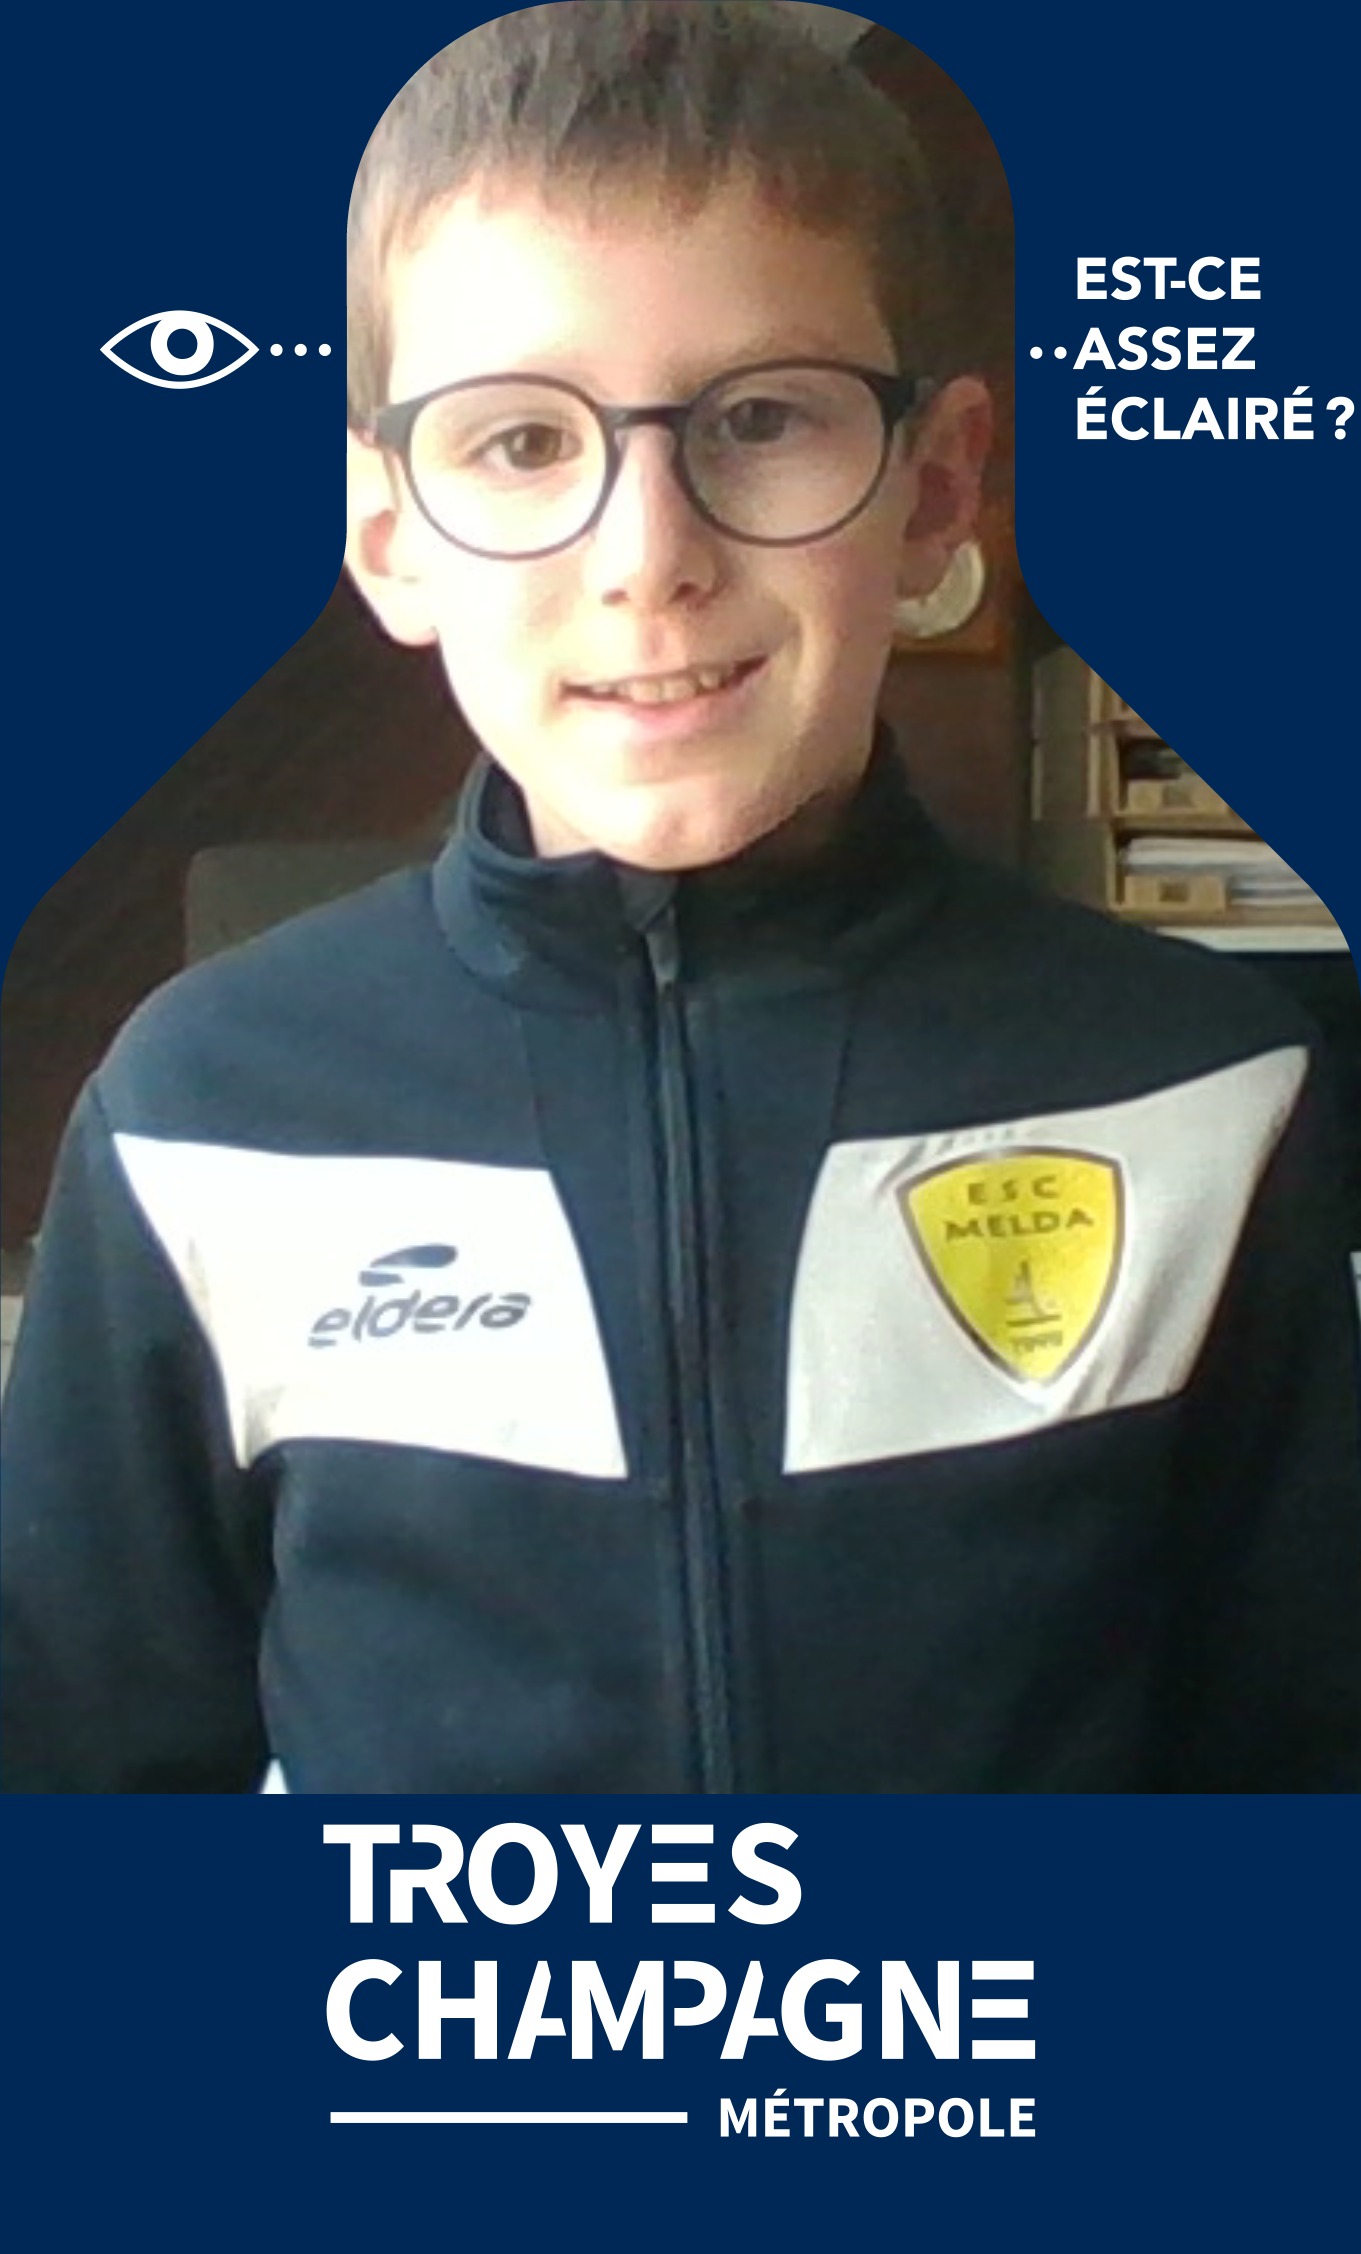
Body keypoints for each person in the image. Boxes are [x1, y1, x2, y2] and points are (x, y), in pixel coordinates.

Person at [3, 2, 1358, 1793]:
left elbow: (1294, 1788)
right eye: (518, 443)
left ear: (936, 489)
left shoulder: (1198, 1086)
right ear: (389, 537)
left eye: (763, 418)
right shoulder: (200, 1112)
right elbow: (80, 1809)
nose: (649, 555)